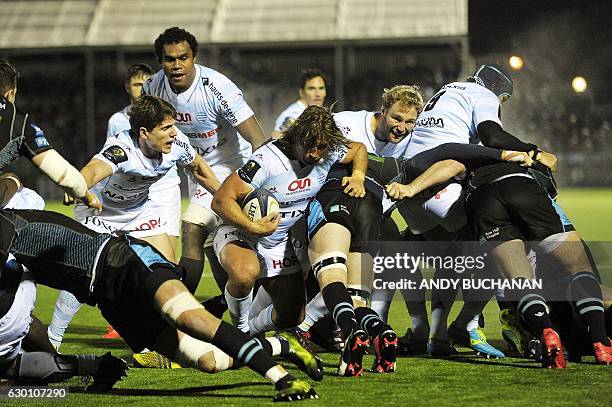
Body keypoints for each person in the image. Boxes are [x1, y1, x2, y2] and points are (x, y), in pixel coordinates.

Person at [0, 205, 320, 401]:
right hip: (107, 298)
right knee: (206, 361)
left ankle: (281, 377)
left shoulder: (5, 223)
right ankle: (281, 347)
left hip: (123, 259)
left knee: (191, 320)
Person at [47, 95, 220, 352]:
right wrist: (77, 186)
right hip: (100, 214)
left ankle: (150, 340)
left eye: (173, 126)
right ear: (144, 132)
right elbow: (94, 169)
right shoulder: (122, 150)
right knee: (85, 277)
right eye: (165, 128)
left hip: (139, 213)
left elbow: (199, 169)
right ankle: (53, 338)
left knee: (165, 273)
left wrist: (225, 196)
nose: (174, 133)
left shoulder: (178, 143)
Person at [211, 106, 367, 347]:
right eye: (309, 144)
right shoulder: (267, 160)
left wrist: (357, 176)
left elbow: (358, 149)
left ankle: (248, 334)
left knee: (294, 315)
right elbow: (221, 200)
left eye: (321, 147)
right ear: (297, 135)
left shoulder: (330, 150)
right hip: (243, 233)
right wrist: (253, 227)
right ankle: (239, 332)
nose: (315, 153)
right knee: (244, 274)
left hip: (278, 242)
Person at [144, 26, 268, 297]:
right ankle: (238, 308)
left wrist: (261, 179)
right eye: (169, 59)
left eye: (183, 57)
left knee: (192, 227)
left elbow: (257, 138)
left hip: (231, 168)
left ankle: (178, 311)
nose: (177, 65)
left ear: (194, 58)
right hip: (194, 171)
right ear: (160, 61)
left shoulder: (217, 87)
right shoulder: (152, 87)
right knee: (216, 247)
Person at [0, 60, 100, 211]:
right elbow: (62, 174)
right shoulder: (16, 120)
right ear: (10, 94)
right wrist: (87, 196)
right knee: (30, 198)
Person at [271, 68, 328, 139]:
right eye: (311, 89)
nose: (318, 94)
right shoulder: (293, 115)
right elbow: (276, 138)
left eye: (321, 88)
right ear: (301, 92)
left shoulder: (327, 114)